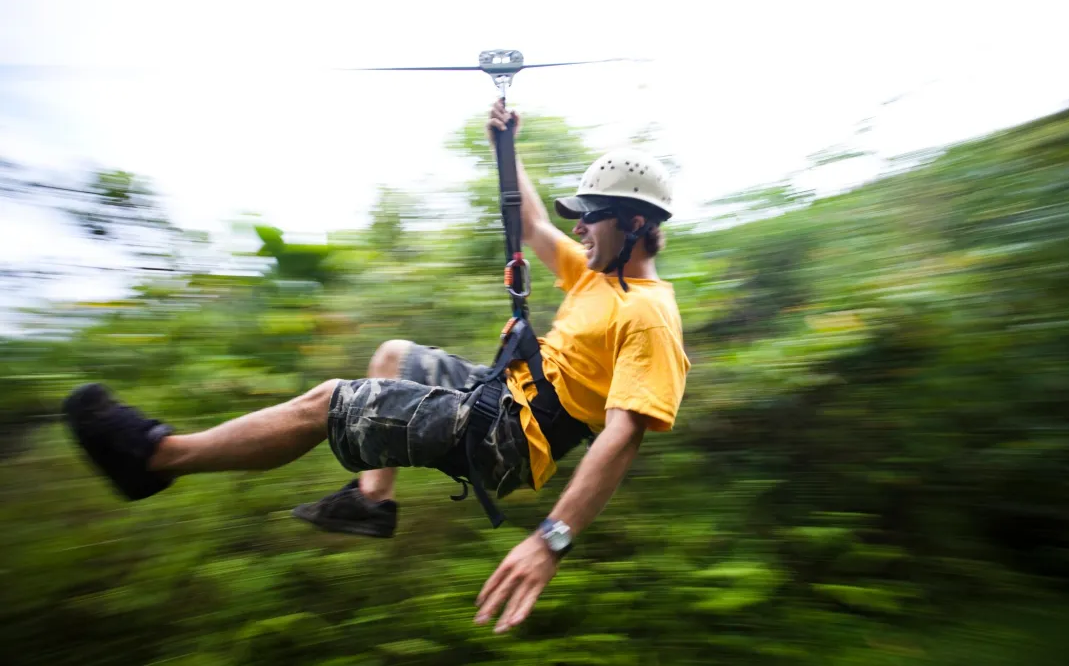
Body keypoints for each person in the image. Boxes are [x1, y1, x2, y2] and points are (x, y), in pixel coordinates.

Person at [63, 99, 690, 634]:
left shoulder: (651, 316)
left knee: (330, 402)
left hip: (510, 437)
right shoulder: (594, 275)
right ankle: (372, 502)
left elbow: (624, 432)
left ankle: (156, 457)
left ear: (635, 223)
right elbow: (527, 221)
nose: (577, 226)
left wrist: (551, 539)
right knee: (393, 357)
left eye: (592, 215)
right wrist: (506, 144)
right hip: (501, 394)